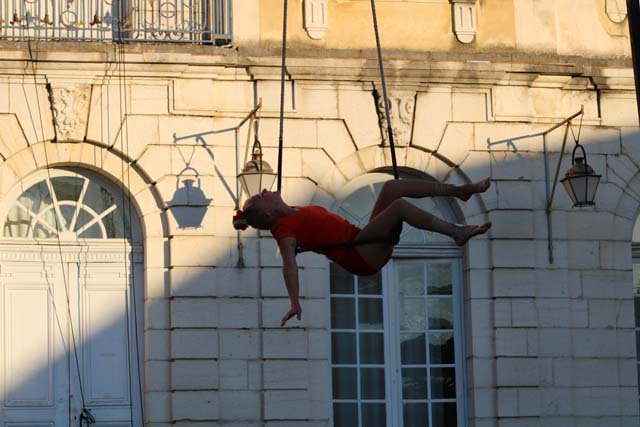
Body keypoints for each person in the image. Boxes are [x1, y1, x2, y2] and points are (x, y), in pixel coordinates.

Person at [233, 178, 491, 326]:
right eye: (262, 196)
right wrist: (294, 301)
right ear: (269, 212)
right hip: (361, 255)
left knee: (392, 188)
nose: (265, 190)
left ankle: (459, 191)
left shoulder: (293, 211)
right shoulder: (283, 230)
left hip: (364, 238)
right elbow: (288, 265)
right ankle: (456, 232)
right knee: (399, 206)